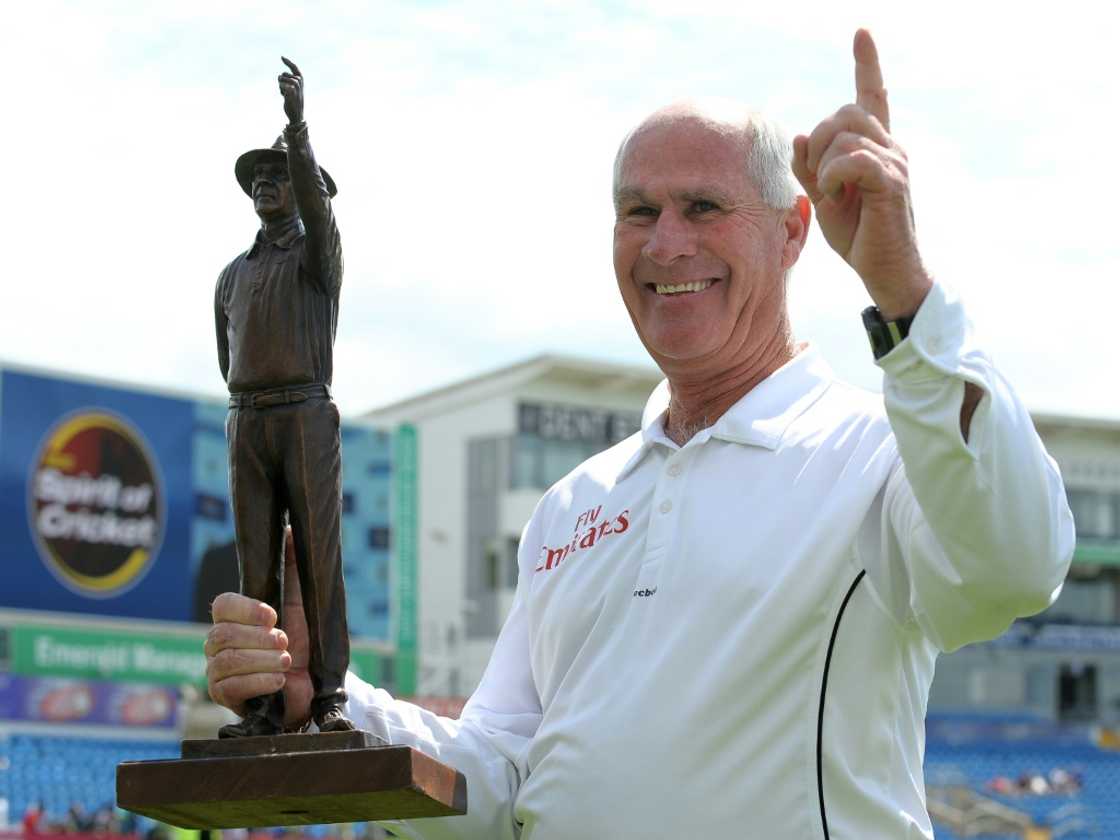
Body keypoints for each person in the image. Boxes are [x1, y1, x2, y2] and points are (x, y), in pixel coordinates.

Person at [206, 30, 1074, 837]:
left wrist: (905, 291)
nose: (666, 244)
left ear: (793, 231)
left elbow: (1017, 566)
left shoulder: (878, 453)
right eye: (638, 211)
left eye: (703, 206)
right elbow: (501, 776)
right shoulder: (571, 505)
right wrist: (329, 700)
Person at [212, 57, 353, 737]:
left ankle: (329, 696)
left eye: (280, 175)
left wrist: (296, 127)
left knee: (318, 558)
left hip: (305, 413)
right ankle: (263, 707)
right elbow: (228, 358)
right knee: (255, 569)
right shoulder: (232, 275)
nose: (266, 184)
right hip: (248, 419)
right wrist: (249, 402)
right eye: (257, 179)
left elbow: (317, 208)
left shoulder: (316, 255)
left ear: (305, 189)